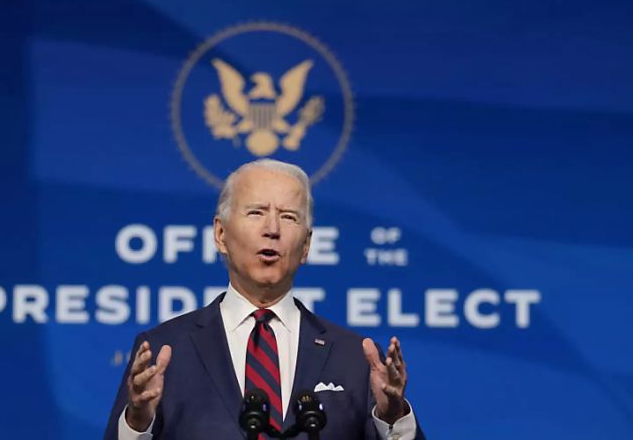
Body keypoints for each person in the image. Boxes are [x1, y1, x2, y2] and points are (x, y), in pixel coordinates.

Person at [103, 159, 424, 439]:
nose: (272, 228)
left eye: (288, 217)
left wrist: (393, 417)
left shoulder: (354, 358)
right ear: (221, 234)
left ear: (307, 245)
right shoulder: (165, 351)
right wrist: (138, 422)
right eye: (256, 212)